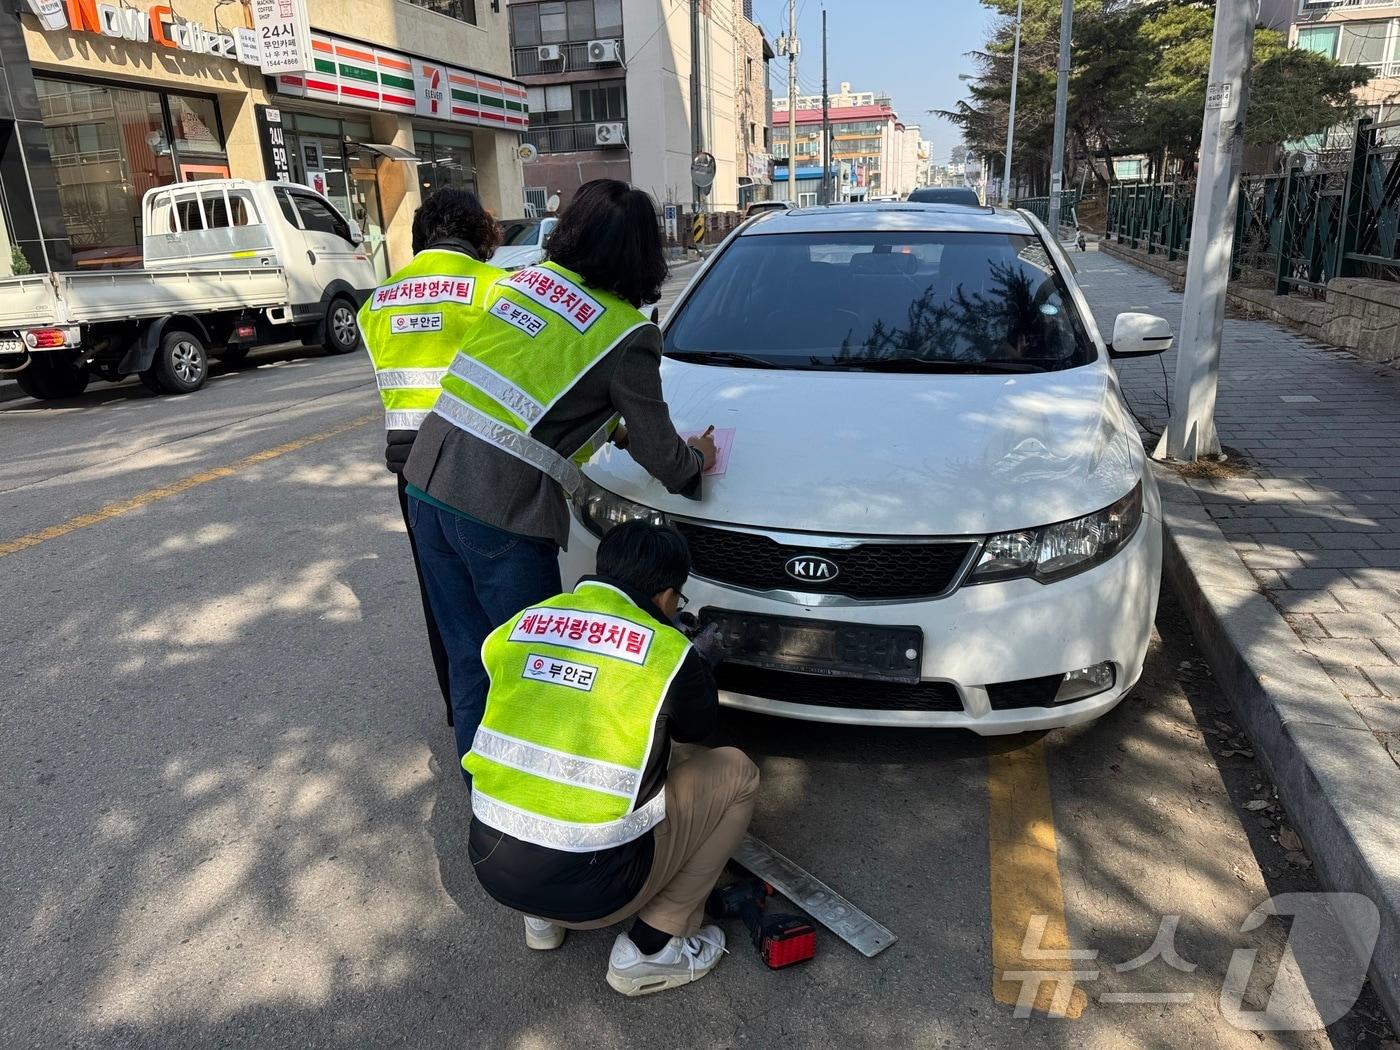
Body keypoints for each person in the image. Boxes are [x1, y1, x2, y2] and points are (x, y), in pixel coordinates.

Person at [403, 179, 718, 772]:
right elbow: (667, 460)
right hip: (499, 509)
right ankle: (538, 798)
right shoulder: (627, 332)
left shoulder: (524, 284)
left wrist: (608, 429)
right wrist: (697, 456)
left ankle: (485, 801)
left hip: (428, 480)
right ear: (643, 254)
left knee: (472, 659)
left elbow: (529, 393)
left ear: (571, 231)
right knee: (536, 667)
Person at [465, 521, 759, 997]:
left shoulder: (522, 624)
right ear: (667, 596)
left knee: (554, 739)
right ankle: (654, 946)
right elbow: (697, 729)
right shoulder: (667, 651)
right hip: (597, 889)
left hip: (492, 865)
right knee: (737, 772)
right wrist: (697, 665)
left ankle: (540, 921)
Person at [357, 189, 506, 724]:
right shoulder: (496, 288)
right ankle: (514, 712)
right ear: (479, 233)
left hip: (412, 470)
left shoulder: (377, 302)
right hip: (482, 462)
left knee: (441, 596)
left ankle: (460, 710)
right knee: (502, 592)